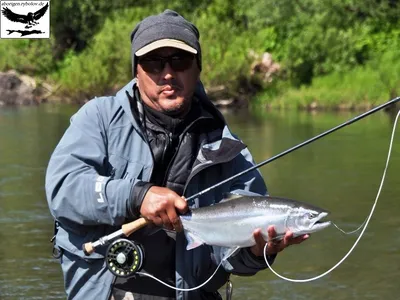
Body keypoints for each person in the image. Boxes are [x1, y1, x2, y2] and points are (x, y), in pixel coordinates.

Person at [45, 9, 308, 300]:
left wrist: (257, 252)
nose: (167, 73)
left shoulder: (227, 147)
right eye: (153, 63)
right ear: (136, 70)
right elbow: (64, 189)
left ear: (198, 68)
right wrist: (136, 196)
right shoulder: (99, 118)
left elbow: (230, 258)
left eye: (180, 61)